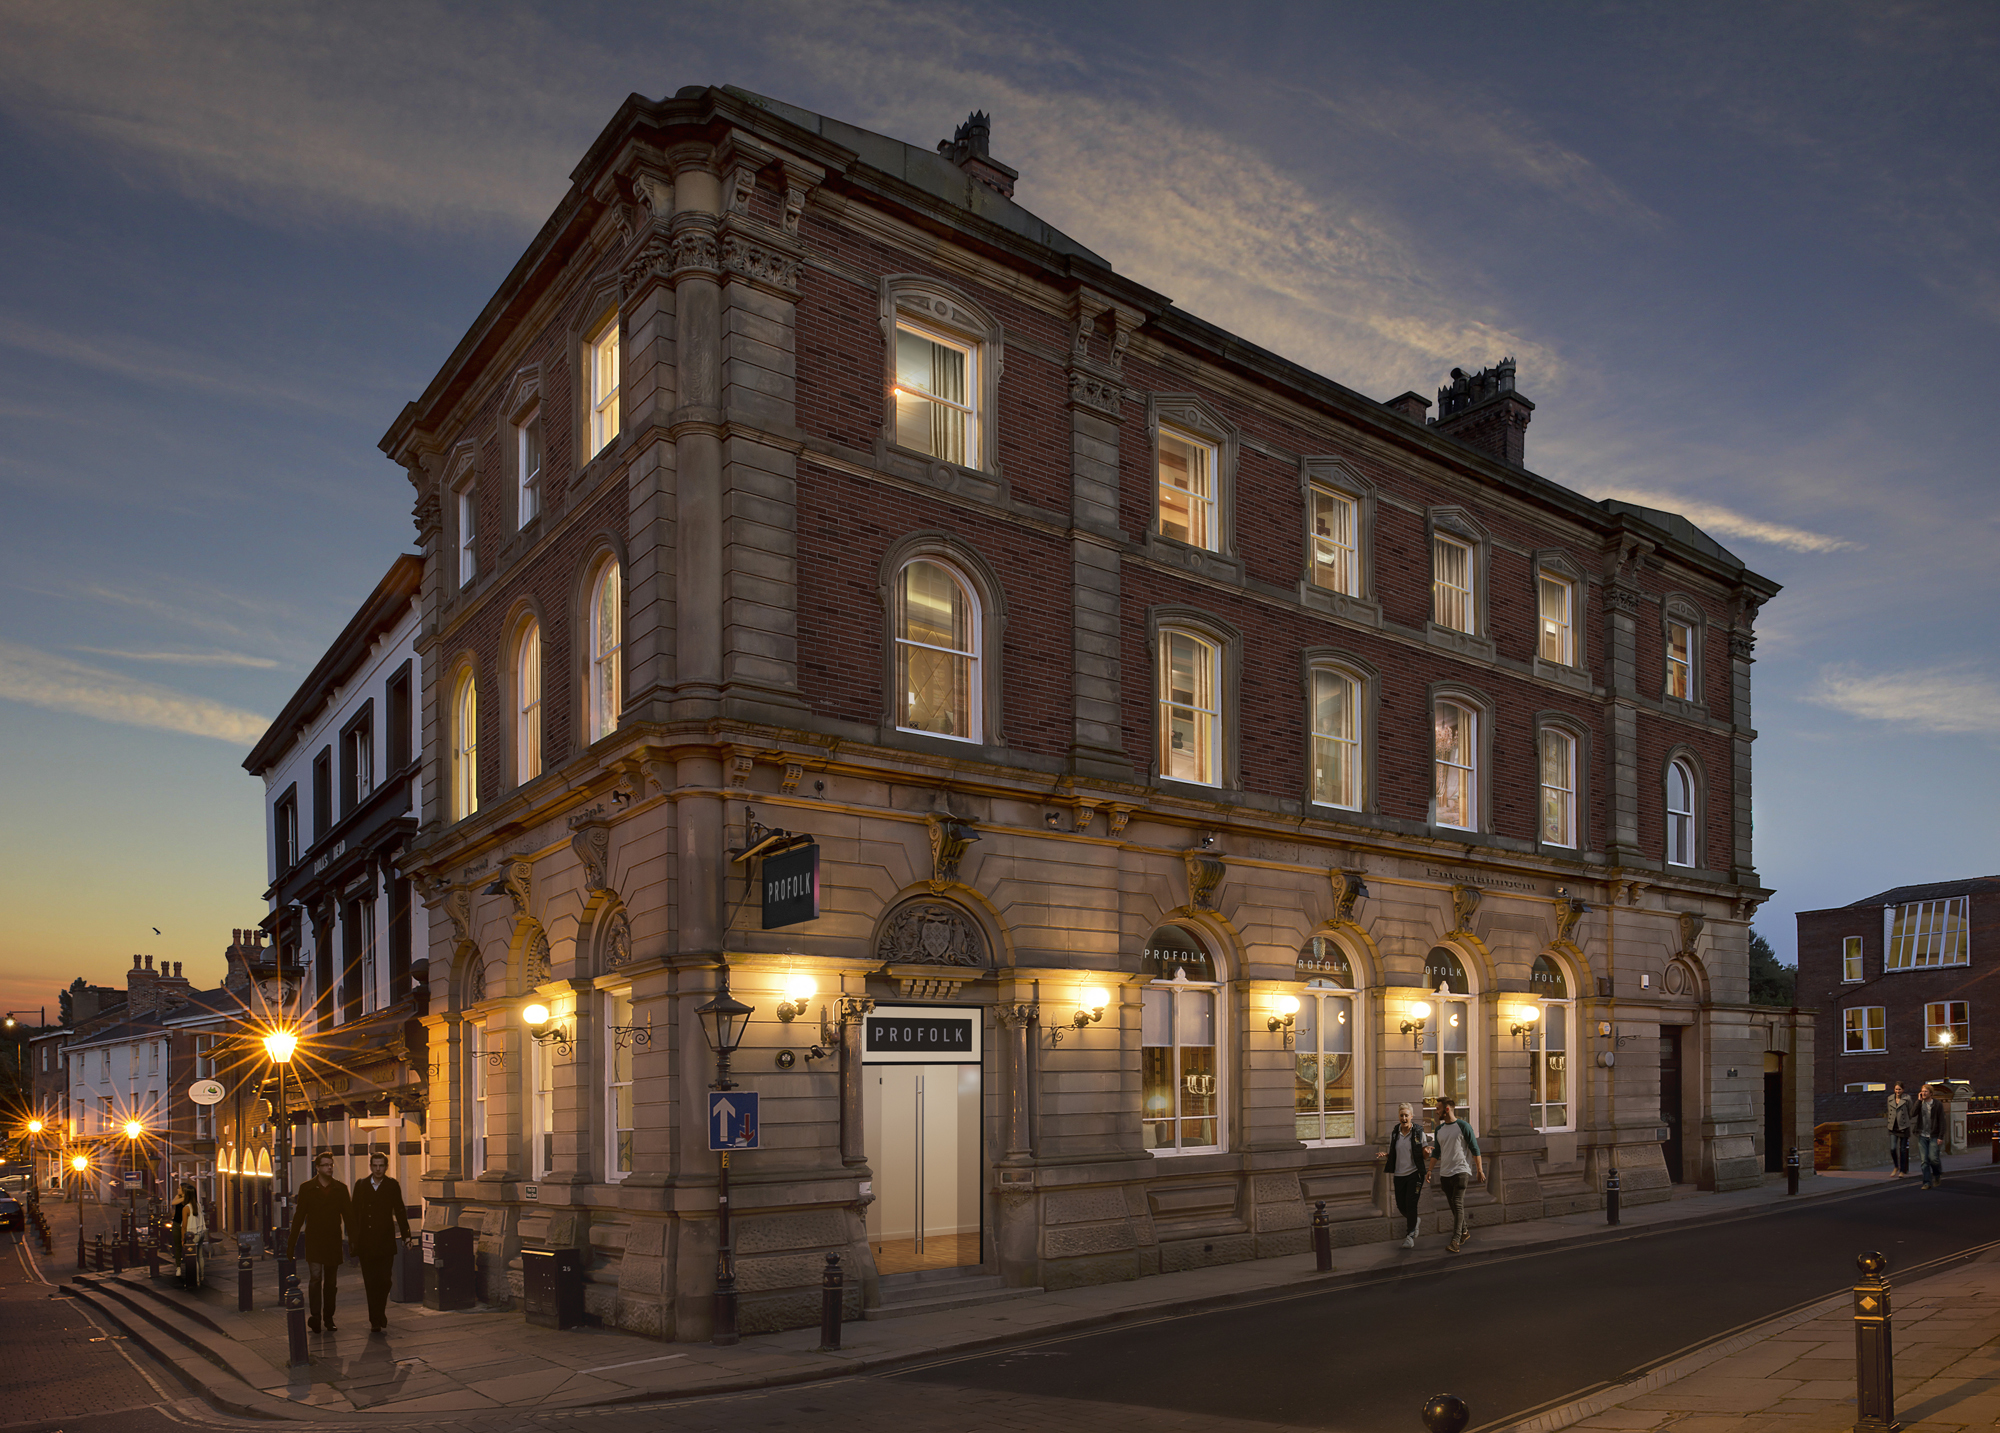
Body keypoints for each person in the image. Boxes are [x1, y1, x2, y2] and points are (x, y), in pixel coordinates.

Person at [349, 1153, 414, 1333]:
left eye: (381, 1166)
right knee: (371, 1282)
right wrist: (352, 1238)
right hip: (366, 1243)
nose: (378, 1169)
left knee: (385, 1281)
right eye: (375, 1166)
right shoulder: (361, 1185)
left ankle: (380, 1311)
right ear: (370, 1166)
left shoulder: (392, 1185)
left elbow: (400, 1210)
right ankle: (375, 1320)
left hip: (385, 1240)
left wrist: (406, 1235)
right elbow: (353, 1213)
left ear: (386, 1167)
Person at [289, 1152, 351, 1332]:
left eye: (331, 1164)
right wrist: (291, 1243)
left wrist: (354, 1240)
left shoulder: (340, 1189)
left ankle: (329, 1318)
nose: (329, 1168)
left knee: (331, 1283)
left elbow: (349, 1216)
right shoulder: (307, 1188)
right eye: (325, 1165)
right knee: (316, 1278)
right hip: (314, 1240)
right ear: (317, 1168)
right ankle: (315, 1316)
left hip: (333, 1240)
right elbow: (300, 1215)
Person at [1432, 1096, 1485, 1252]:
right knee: (1454, 1206)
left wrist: (1479, 1170)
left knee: (1457, 1203)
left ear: (1447, 1109)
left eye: (1438, 1109)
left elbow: (1475, 1149)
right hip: (1445, 1173)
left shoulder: (1464, 1126)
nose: (1436, 1111)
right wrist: (1429, 1170)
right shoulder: (1439, 1130)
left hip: (1461, 1171)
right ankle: (1464, 1231)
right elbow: (1436, 1151)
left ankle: (1455, 1241)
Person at [1375, 1102, 1431, 1248]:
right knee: (1401, 1205)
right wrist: (1386, 1155)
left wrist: (1426, 1152)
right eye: (1401, 1115)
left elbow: (1424, 1155)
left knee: (1411, 1203)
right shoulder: (1395, 1133)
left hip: (1415, 1173)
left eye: (1406, 1115)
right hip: (1400, 1174)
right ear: (1398, 1117)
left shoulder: (1419, 1132)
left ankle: (1410, 1236)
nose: (1404, 1118)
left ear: (1412, 1116)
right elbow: (1395, 1153)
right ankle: (1415, 1221)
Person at [170, 1182, 205, 1289]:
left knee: (192, 1258)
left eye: (179, 1188)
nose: (177, 1190)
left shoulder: (186, 1208)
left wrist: (182, 1238)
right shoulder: (198, 1205)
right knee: (200, 1255)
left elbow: (184, 1226)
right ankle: (202, 1276)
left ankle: (196, 1280)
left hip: (191, 1235)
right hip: (201, 1232)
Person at [1913, 1083, 1947, 1190]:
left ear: (1931, 1093)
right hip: (1922, 1135)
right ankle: (1927, 1182)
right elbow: (1912, 1113)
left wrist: (1940, 1136)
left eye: (1926, 1091)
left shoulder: (1937, 1104)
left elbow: (1942, 1121)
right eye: (1922, 1091)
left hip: (1934, 1135)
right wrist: (1918, 1101)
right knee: (1924, 1161)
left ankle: (1937, 1175)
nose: (1923, 1093)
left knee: (1933, 1159)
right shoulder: (1920, 1103)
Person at [1886, 1083, 1915, 1178]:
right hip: (1893, 1127)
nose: (1898, 1091)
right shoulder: (1890, 1098)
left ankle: (1902, 1170)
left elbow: (1911, 1112)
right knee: (1892, 1148)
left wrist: (1905, 1120)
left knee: (1903, 1150)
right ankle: (1896, 1167)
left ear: (1903, 1090)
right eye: (1896, 1089)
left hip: (1903, 1127)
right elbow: (1889, 1111)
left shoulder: (1907, 1099)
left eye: (1899, 1089)